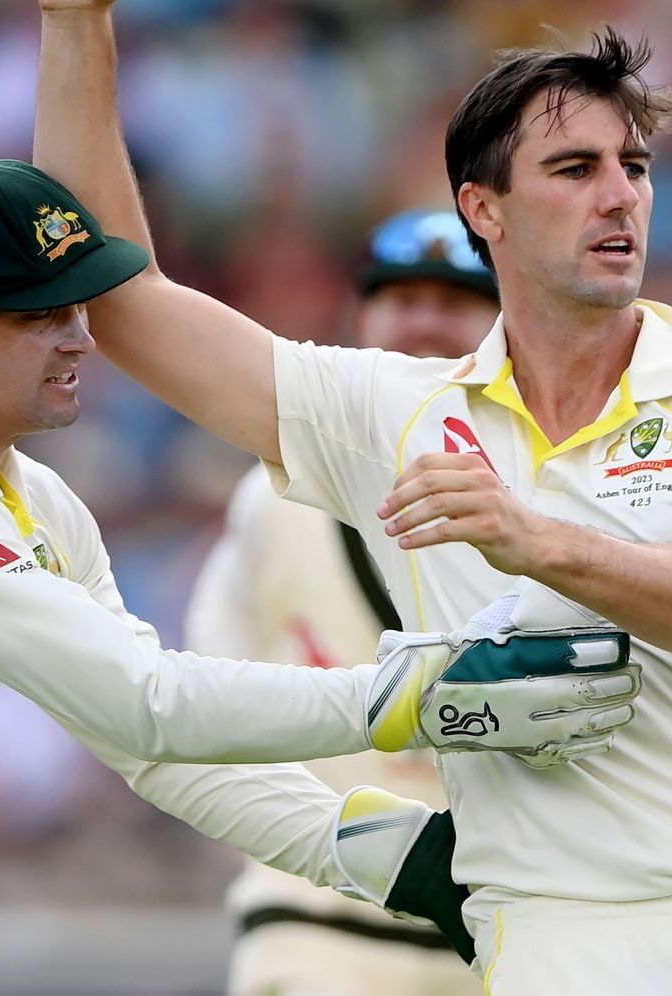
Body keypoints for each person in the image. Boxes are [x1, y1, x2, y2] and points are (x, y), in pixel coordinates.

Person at [33, 0, 672, 994]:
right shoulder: (398, 414)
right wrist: (77, 16)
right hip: (560, 936)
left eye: (634, 169)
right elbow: (119, 300)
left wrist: (531, 535)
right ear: (482, 209)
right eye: (574, 168)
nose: (621, 198)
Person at [0, 161, 645, 995]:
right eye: (37, 312)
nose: (80, 335)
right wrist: (424, 692)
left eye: (79, 301)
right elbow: (145, 702)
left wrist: (402, 858)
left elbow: (148, 743)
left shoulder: (26, 495)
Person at [188, 209, 500, 996]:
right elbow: (207, 687)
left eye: (457, 299)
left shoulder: (561, 490)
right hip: (318, 920)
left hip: (514, 926)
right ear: (360, 317)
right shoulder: (273, 495)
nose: (425, 321)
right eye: (401, 297)